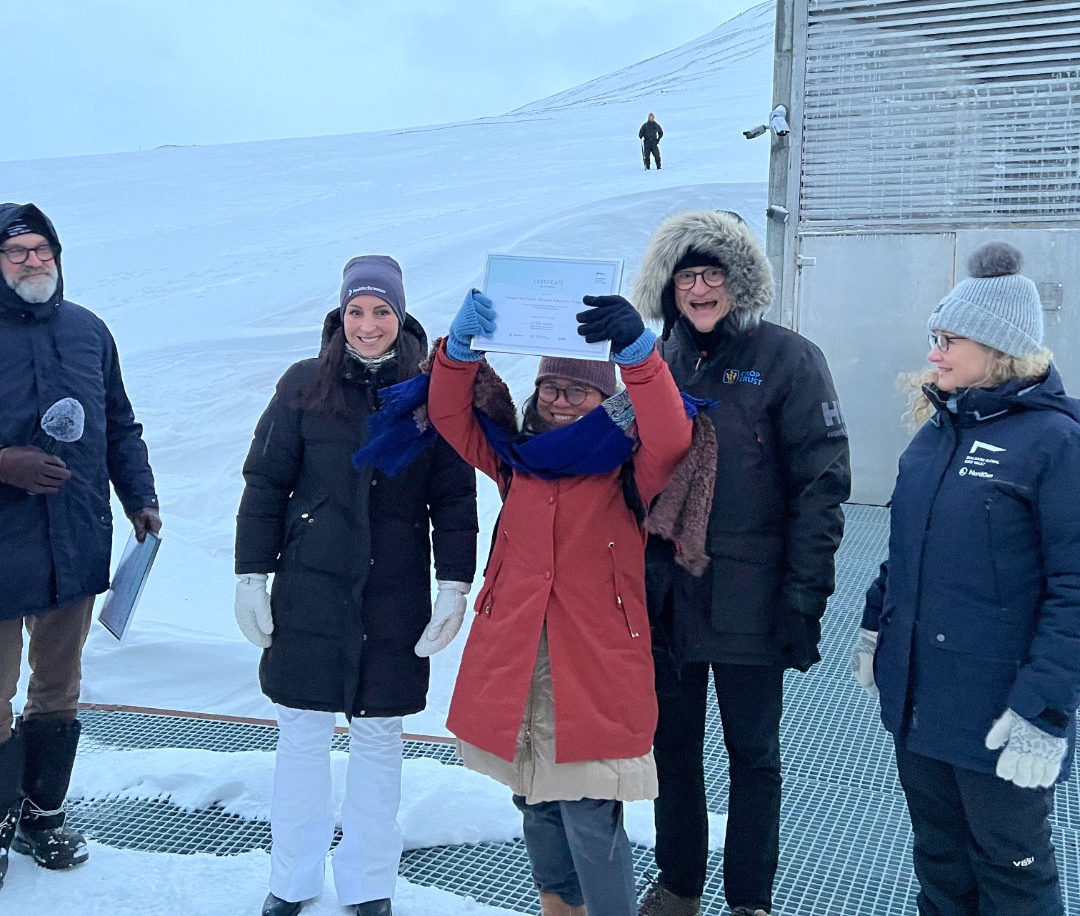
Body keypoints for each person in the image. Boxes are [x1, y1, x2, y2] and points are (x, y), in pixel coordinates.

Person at [425, 289, 694, 916]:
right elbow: (448, 416)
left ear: (607, 401)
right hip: (517, 651)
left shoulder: (632, 465)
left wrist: (639, 356)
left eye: (580, 391)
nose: (561, 400)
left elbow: (672, 431)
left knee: (590, 811)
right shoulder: (517, 460)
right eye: (552, 388)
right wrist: (458, 353)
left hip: (593, 662)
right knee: (534, 799)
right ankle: (559, 907)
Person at [234, 255, 478, 916]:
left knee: (378, 744)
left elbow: (453, 501)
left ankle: (370, 885)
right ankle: (293, 879)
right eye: (357, 311)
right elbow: (265, 487)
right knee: (303, 738)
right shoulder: (301, 388)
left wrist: (454, 584)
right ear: (341, 316)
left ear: (401, 317)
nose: (368, 325)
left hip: (393, 598)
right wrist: (251, 576)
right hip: (309, 595)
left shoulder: (432, 397)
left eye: (381, 311)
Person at [632, 209, 851, 916]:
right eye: (687, 274)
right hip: (672, 596)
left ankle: (749, 900)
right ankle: (679, 884)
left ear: (739, 279)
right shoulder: (659, 360)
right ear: (668, 286)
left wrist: (803, 597)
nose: (700, 288)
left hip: (753, 599)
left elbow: (822, 485)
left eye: (713, 273)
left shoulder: (788, 359)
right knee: (675, 752)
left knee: (752, 757)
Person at [852, 241, 1080, 916]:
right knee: (941, 867)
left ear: (997, 346)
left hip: (999, 717)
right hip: (921, 704)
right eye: (935, 338)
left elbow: (1075, 589)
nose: (935, 354)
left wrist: (1043, 709)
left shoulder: (1054, 444)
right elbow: (904, 548)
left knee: (1012, 878)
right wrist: (876, 627)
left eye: (948, 340)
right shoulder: (938, 432)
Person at [0, 202, 160, 889]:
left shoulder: (88, 331)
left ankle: (42, 816)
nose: (34, 261)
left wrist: (140, 498)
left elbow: (119, 424)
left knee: (58, 686)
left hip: (75, 537)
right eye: (18, 252)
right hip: (3, 546)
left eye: (43, 250)